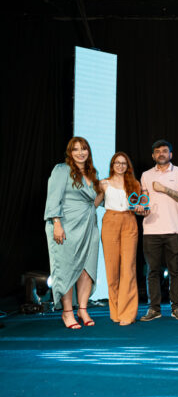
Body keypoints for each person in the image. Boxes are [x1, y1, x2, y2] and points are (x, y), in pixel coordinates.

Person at [44, 137, 103, 329]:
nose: (80, 153)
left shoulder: (93, 173)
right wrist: (57, 223)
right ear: (70, 152)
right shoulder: (61, 170)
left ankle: (83, 309)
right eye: (76, 149)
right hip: (66, 224)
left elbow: (93, 202)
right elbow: (53, 198)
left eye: (84, 148)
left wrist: (104, 191)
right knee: (67, 267)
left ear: (88, 151)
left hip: (89, 225)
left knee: (87, 268)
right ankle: (67, 312)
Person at [139, 139, 178, 321]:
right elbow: (144, 199)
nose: (161, 154)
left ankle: (176, 308)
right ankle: (154, 309)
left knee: (175, 270)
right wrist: (141, 208)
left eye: (164, 151)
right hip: (150, 229)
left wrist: (164, 189)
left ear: (171, 154)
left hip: (173, 230)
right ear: (153, 155)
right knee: (152, 271)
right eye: (157, 151)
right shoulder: (146, 175)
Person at [99, 152, 144, 326]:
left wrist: (141, 208)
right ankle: (115, 311)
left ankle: (128, 313)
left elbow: (140, 207)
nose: (120, 166)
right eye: (117, 163)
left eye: (123, 163)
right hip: (110, 221)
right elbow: (95, 203)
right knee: (112, 269)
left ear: (127, 166)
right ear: (112, 165)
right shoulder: (103, 183)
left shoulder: (134, 183)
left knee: (128, 268)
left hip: (129, 221)